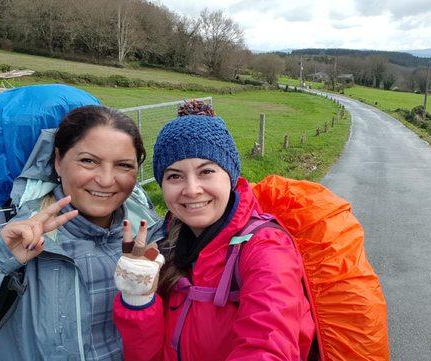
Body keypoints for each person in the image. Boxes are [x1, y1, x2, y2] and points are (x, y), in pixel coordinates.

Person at [0, 102, 163, 360]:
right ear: (57, 161)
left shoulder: (155, 237)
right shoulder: (8, 231)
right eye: (88, 161)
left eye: (123, 165)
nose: (107, 179)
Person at [113, 108, 316, 360]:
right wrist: (137, 299)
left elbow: (268, 347)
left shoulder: (266, 249)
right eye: (174, 176)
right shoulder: (166, 246)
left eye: (206, 171)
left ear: (230, 176)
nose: (192, 189)